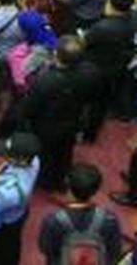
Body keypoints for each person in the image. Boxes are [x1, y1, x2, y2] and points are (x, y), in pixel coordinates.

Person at [19, 35, 84, 192]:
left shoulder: (45, 80)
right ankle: (61, 179)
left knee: (46, 156)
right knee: (65, 153)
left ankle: (46, 183)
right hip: (72, 122)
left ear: (56, 54)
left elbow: (29, 107)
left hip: (46, 126)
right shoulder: (86, 74)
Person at [38, 163, 122, 265]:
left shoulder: (54, 220)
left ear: (67, 184)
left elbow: (45, 247)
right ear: (95, 190)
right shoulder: (109, 219)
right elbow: (115, 250)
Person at [0, 132, 41, 265]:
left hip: (4, 221)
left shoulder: (9, 193)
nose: (4, 156)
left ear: (21, 160)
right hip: (19, 213)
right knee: (13, 243)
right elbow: (5, 167)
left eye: (9, 154)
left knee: (1, 251)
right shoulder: (34, 160)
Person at [83, 0, 136, 124]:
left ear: (110, 1)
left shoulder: (102, 28)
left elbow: (85, 43)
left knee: (96, 98)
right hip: (121, 63)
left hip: (99, 66)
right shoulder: (135, 18)